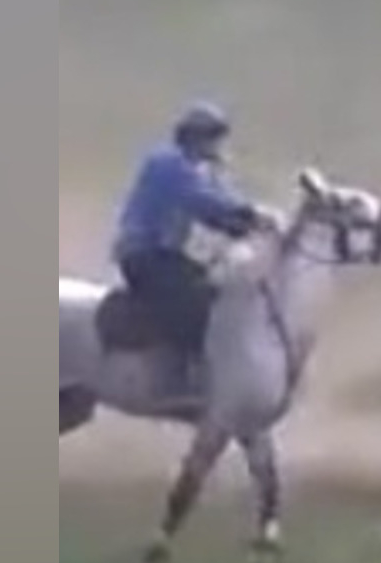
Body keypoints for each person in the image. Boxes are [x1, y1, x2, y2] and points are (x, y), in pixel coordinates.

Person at [110, 101, 268, 377]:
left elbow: (211, 211)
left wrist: (240, 226)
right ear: (198, 138)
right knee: (194, 300)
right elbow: (200, 198)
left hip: (164, 254)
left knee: (215, 285)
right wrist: (250, 212)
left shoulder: (194, 169)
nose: (219, 148)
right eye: (215, 140)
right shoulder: (168, 162)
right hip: (143, 254)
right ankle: (183, 369)